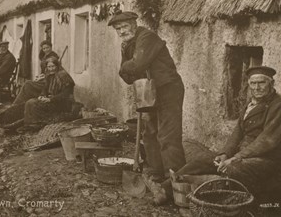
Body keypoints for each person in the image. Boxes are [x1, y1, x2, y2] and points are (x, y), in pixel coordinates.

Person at [150, 66, 281, 205]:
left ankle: (234, 203)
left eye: (262, 83)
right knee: (202, 161)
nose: (257, 87)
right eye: (253, 83)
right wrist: (225, 153)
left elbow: (267, 141)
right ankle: (164, 189)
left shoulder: (277, 106)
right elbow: (237, 133)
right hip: (243, 155)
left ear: (271, 84)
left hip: (265, 158)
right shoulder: (250, 104)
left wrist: (236, 158)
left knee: (231, 169)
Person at [108, 11, 186, 187]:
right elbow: (127, 77)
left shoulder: (147, 37)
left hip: (168, 89)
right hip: (148, 92)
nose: (121, 32)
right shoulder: (127, 45)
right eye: (117, 29)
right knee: (149, 132)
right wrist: (129, 67)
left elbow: (136, 66)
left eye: (124, 27)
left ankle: (176, 178)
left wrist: (128, 66)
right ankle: (156, 172)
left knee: (167, 135)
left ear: (134, 24)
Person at [23, 57, 75, 130]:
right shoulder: (49, 75)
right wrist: (42, 95)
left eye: (53, 66)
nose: (51, 69)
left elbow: (66, 94)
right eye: (49, 67)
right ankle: (31, 124)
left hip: (63, 103)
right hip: (52, 100)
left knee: (32, 103)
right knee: (30, 102)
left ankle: (38, 123)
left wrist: (51, 99)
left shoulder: (64, 76)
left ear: (57, 66)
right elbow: (45, 89)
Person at [12, 40, 59, 105]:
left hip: (50, 82)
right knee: (27, 85)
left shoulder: (53, 57)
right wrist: (40, 76)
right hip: (45, 78)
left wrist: (42, 77)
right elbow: (45, 71)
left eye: (47, 48)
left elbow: (52, 73)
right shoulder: (45, 56)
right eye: (44, 48)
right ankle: (19, 104)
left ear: (51, 47)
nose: (45, 50)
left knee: (28, 84)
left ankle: (17, 104)